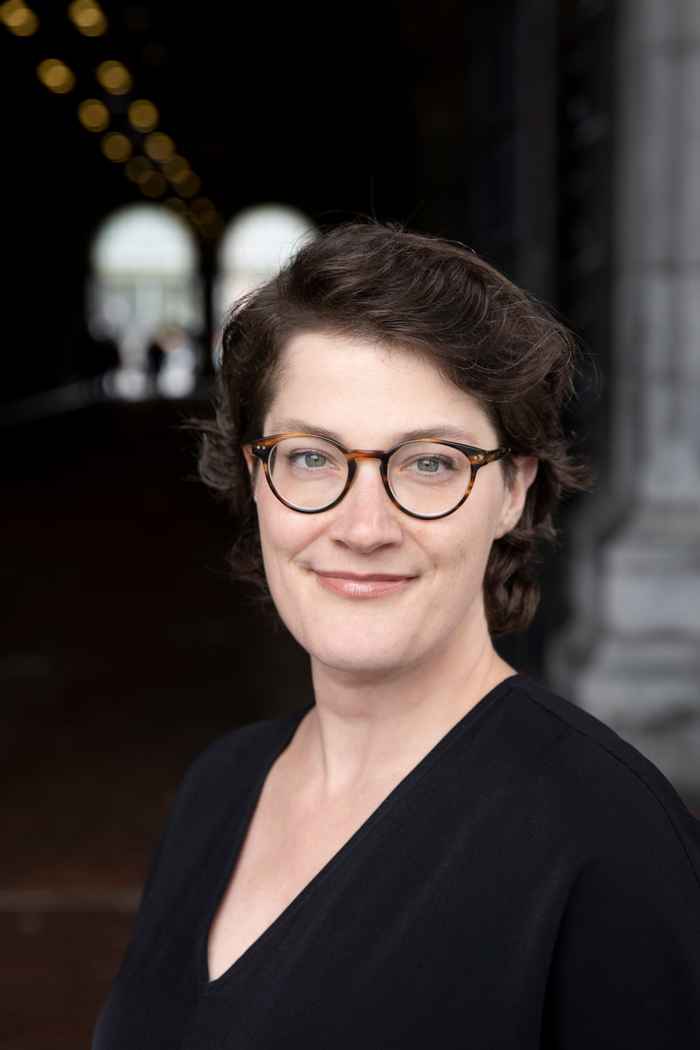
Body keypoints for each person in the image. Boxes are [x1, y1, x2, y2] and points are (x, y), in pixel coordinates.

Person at [92, 222, 700, 1049]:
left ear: (513, 492)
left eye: (430, 463)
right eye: (312, 458)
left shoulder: (610, 845)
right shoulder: (219, 787)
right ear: (255, 477)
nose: (364, 526)